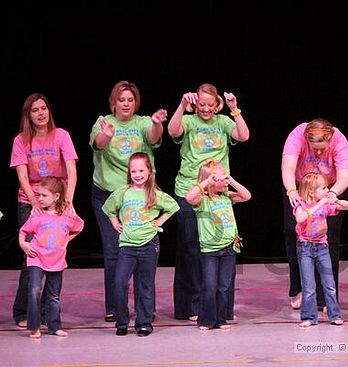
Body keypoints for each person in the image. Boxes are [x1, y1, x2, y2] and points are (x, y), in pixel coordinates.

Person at [168, 83, 249, 322]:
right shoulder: (190, 122)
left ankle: (221, 308)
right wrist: (182, 106)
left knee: (221, 246)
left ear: (217, 106)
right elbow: (172, 131)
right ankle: (190, 306)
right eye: (201, 104)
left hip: (218, 193)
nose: (205, 108)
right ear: (196, 105)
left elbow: (243, 136)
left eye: (210, 105)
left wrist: (235, 110)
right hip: (190, 190)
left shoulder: (223, 122)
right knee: (191, 249)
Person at [90, 80, 167, 323]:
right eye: (121, 100)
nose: (125, 104)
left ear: (136, 103)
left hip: (141, 197)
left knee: (144, 254)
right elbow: (98, 145)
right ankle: (116, 307)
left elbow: (154, 138)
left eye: (130, 100)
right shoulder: (103, 122)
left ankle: (146, 309)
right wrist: (106, 134)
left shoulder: (143, 122)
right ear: (113, 102)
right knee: (114, 253)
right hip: (109, 196)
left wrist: (156, 124)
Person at [10, 93, 78, 328]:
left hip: (57, 200)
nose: (40, 113)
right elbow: (22, 176)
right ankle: (23, 311)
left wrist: (66, 202)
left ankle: (49, 313)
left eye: (43, 108)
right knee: (31, 257)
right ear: (28, 115)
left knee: (54, 255)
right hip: (30, 202)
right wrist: (35, 203)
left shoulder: (62, 136)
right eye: (35, 110)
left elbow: (71, 170)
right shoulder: (21, 140)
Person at [102, 152, 179, 336]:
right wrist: (114, 222)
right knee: (119, 282)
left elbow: (173, 206)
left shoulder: (154, 193)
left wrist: (160, 221)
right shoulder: (123, 192)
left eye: (141, 170)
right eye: (133, 171)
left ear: (149, 171)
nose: (137, 174)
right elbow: (109, 208)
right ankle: (122, 321)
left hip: (148, 245)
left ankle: (143, 323)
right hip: (127, 246)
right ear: (129, 173)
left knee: (145, 285)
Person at [282, 118, 348, 312]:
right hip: (299, 187)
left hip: (329, 187)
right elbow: (287, 167)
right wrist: (291, 191)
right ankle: (299, 289)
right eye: (315, 148)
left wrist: (332, 194)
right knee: (293, 232)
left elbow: (345, 175)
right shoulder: (297, 135)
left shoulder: (339, 140)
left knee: (329, 237)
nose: (319, 153)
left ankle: (327, 297)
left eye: (323, 148)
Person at [185, 159, 251, 330]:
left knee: (224, 286)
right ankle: (206, 320)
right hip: (210, 252)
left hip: (228, 249)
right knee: (209, 286)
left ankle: (221, 319)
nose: (223, 181)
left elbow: (247, 195)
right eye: (220, 178)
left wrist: (231, 179)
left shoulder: (227, 197)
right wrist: (206, 182)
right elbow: (188, 197)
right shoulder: (202, 200)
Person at [18, 176, 84, 338]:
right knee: (34, 289)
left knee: (53, 295)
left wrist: (65, 240)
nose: (39, 198)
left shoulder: (67, 216)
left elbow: (79, 227)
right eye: (38, 195)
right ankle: (34, 326)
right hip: (36, 258)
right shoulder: (37, 215)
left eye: (44, 195)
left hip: (56, 261)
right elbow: (23, 231)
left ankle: (54, 326)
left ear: (56, 196)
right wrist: (23, 244)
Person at [293, 172, 348, 327]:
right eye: (324, 188)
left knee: (329, 284)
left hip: (322, 247)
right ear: (311, 191)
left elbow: (347, 206)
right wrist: (320, 204)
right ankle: (309, 317)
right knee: (309, 287)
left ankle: (334, 315)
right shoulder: (301, 205)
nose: (327, 190)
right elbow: (300, 218)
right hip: (305, 248)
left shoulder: (325, 205)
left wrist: (335, 200)